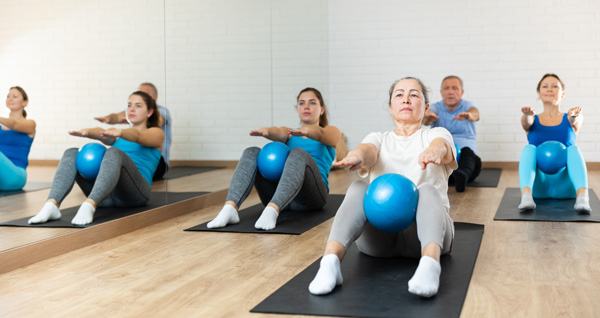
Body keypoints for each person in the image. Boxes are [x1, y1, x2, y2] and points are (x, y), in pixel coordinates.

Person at [308, 77, 457, 298]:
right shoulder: (379, 138)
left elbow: (442, 146)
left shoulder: (435, 134)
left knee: (426, 190)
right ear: (390, 107)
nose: (406, 98)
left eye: (414, 94)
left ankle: (430, 265)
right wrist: (357, 156)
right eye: (399, 95)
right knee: (359, 187)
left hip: (424, 236)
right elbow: (368, 150)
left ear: (425, 107)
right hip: (379, 240)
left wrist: (435, 151)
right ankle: (329, 264)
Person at [207, 87, 341, 230]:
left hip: (311, 199)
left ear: (322, 109)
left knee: (298, 153)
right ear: (297, 109)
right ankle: (230, 208)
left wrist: (307, 131)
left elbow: (321, 134)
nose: (306, 107)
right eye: (301, 103)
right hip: (281, 195)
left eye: (312, 103)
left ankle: (272, 210)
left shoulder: (331, 132)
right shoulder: (290, 133)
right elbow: (279, 131)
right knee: (252, 151)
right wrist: (268, 132)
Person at [28, 91, 164, 225]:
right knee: (73, 152)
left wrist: (120, 132)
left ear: (150, 112)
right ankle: (51, 205)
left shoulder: (157, 133)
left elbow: (137, 136)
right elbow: (100, 132)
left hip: (135, 195)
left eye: (138, 106)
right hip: (107, 197)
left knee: (114, 152)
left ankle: (89, 205)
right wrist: (87, 133)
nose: (132, 109)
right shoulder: (118, 135)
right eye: (129, 105)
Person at [518, 73, 591, 213]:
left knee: (573, 149)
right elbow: (526, 122)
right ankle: (526, 196)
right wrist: (527, 115)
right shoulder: (532, 119)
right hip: (539, 186)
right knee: (529, 149)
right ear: (539, 93)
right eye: (545, 86)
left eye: (554, 86)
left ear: (563, 93)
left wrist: (574, 116)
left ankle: (582, 197)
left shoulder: (571, 117)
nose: (549, 89)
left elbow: (575, 120)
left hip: (565, 187)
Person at [95, 82, 171, 180]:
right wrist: (108, 118)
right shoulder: (133, 108)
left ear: (155, 97)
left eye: (146, 94)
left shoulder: (163, 111)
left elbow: (159, 120)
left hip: (158, 161)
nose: (132, 108)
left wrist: (141, 119)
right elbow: (118, 116)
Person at [423, 75, 481, 192]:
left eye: (454, 88)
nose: (450, 92)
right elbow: (426, 118)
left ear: (461, 92)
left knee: (471, 155)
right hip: (443, 159)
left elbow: (475, 114)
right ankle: (450, 176)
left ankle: (462, 176)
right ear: (441, 92)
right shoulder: (435, 107)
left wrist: (468, 115)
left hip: (465, 161)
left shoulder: (467, 106)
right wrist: (428, 117)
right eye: (447, 88)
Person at [0, 87, 36, 191]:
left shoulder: (30, 124)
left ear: (25, 102)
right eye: (8, 97)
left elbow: (14, 124)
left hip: (16, 175)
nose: (10, 99)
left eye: (15, 96)